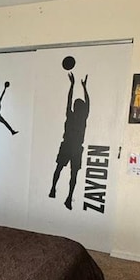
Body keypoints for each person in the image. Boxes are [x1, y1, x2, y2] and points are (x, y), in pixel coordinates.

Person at [49, 72, 89, 210]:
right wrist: (81, 87)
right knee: (69, 172)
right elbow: (72, 100)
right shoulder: (78, 117)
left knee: (63, 169)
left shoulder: (73, 115)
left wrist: (76, 86)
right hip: (73, 146)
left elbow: (70, 100)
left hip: (71, 146)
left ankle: (58, 192)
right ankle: (59, 192)